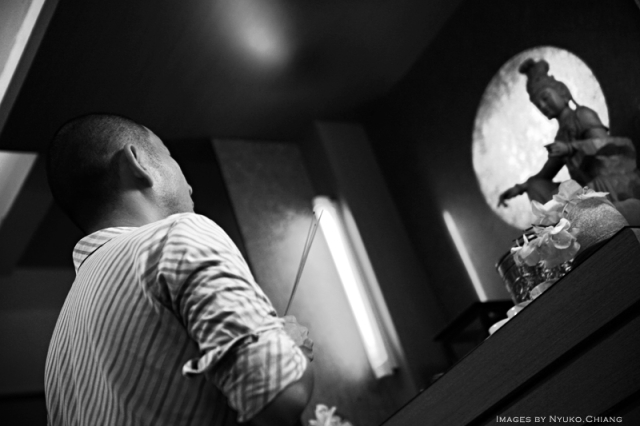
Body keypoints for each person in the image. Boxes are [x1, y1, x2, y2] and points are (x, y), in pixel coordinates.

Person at [44, 114, 314, 426]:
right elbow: (280, 397)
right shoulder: (176, 235)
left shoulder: (57, 355)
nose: (189, 185)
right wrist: (291, 345)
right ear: (137, 163)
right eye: (170, 157)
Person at [497, 58, 640, 224]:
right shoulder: (561, 136)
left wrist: (571, 148)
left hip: (605, 180)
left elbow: (605, 146)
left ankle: (592, 217)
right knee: (536, 185)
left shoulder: (582, 115)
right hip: (585, 187)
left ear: (562, 92)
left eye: (545, 98)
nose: (543, 106)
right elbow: (546, 173)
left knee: (588, 193)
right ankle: (566, 224)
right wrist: (520, 187)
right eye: (538, 105)